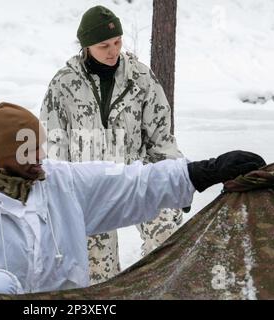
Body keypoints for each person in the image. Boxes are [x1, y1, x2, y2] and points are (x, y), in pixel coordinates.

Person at [0, 102, 265, 294]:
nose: (40, 158)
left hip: (61, 306)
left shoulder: (60, 182)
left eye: (39, 147)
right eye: (27, 151)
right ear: (1, 156)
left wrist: (200, 172)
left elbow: (130, 184)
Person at [40, 5, 184, 284]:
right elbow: (53, 145)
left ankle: (152, 289)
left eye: (117, 42)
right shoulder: (63, 84)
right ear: (86, 46)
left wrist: (176, 180)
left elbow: (161, 139)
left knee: (168, 233)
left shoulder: (141, 78)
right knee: (98, 276)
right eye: (103, 45)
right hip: (89, 189)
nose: (113, 50)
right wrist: (57, 196)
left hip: (136, 180)